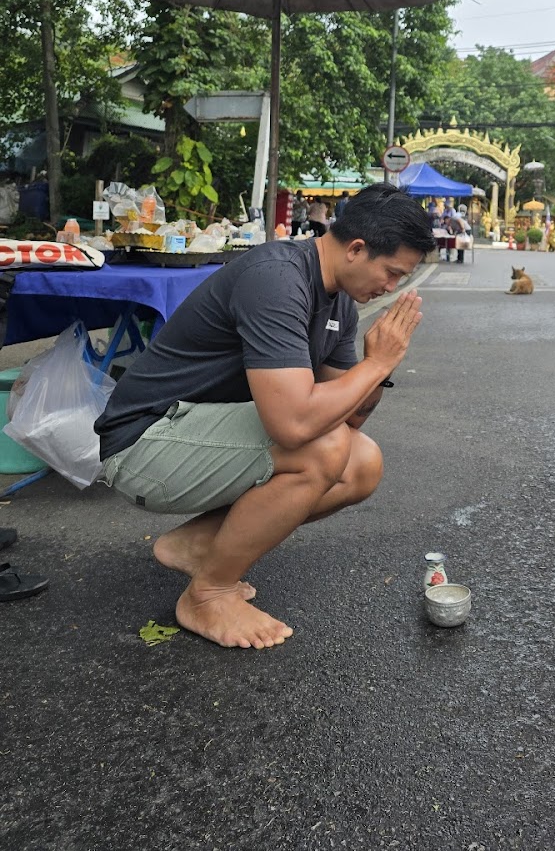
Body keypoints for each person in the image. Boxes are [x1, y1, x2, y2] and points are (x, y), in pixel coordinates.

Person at [94, 184, 436, 650]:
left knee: (361, 463)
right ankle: (208, 594)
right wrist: (374, 365)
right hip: (143, 444)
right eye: (392, 272)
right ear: (356, 249)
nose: (392, 287)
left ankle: (199, 548)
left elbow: (348, 416)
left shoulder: (338, 301)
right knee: (322, 449)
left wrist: (382, 368)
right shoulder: (278, 278)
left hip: (197, 434)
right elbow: (295, 426)